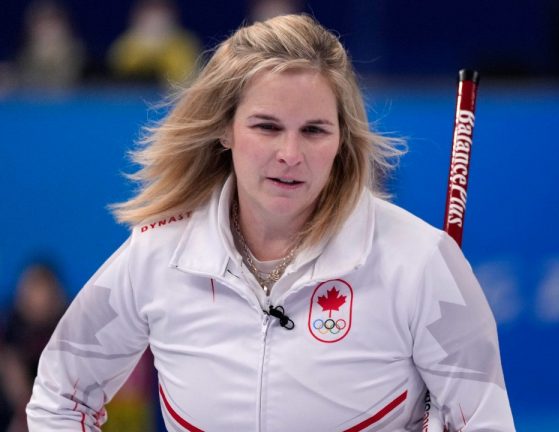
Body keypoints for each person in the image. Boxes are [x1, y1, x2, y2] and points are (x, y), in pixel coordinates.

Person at [28, 14, 515, 431]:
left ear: (342, 139)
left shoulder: (421, 261)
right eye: (266, 126)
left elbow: (484, 421)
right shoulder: (158, 253)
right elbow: (60, 393)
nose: (290, 155)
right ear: (225, 128)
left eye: (314, 131)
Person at [1, 262, 68, 432]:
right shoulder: (8, 330)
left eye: (43, 290)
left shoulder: (71, 331)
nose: (37, 298)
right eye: (32, 289)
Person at [107, 0, 200, 86]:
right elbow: (117, 71)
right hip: (131, 99)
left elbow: (187, 76)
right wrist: (144, 49)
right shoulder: (127, 42)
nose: (155, 18)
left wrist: (163, 51)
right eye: (149, 9)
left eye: (160, 10)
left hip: (168, 98)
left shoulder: (184, 42)